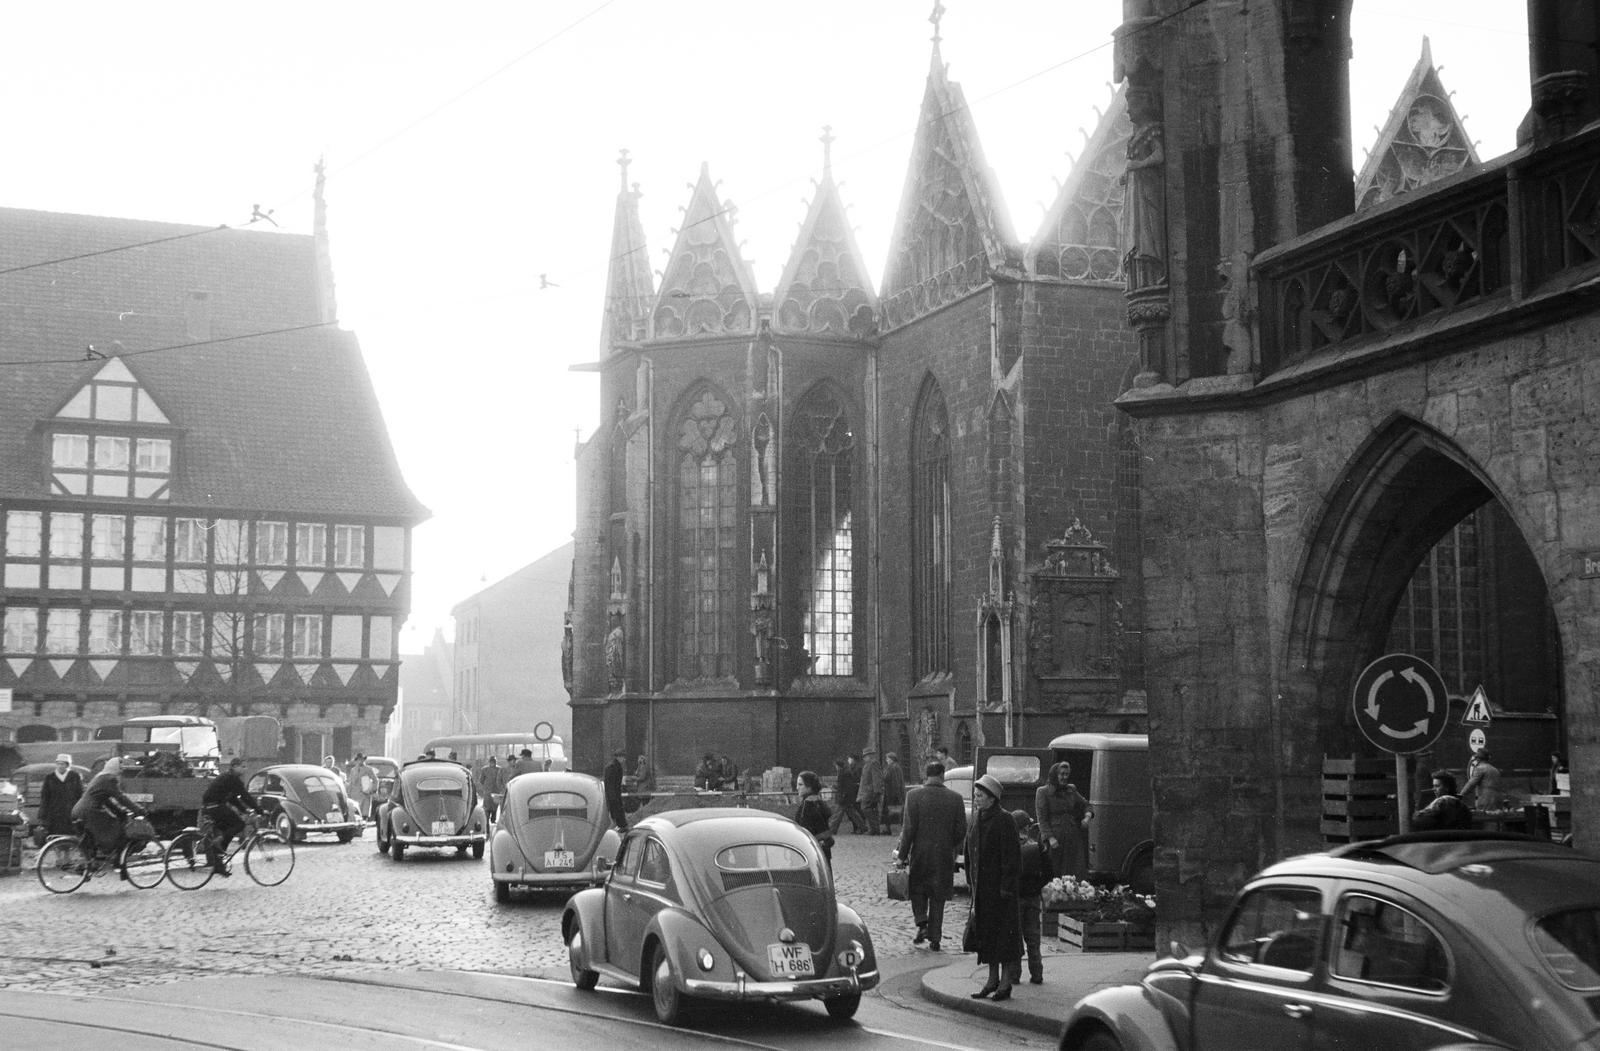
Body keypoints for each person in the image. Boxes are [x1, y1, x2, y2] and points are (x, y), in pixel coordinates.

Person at [894, 761, 966, 952]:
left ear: (925, 776)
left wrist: (901, 856)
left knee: (917, 889)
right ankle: (935, 938)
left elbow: (908, 830)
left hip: (920, 853)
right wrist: (952, 848)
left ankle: (921, 922)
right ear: (943, 775)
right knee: (938, 895)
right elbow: (961, 831)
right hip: (943, 855)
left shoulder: (914, 796)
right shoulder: (955, 798)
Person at [966, 774, 1021, 1001]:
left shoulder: (1005, 819)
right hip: (982, 891)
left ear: (992, 798)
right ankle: (992, 980)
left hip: (1000, 892)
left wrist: (1006, 888)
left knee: (1004, 939)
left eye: (980, 796)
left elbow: (1011, 858)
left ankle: (1005, 983)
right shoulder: (977, 818)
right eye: (976, 795)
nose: (976, 799)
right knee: (987, 938)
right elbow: (970, 850)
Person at [71, 758, 147, 868]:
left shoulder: (100, 776)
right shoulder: (110, 778)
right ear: (114, 767)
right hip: (91, 811)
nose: (121, 770)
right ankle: (116, 860)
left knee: (93, 837)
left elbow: (106, 800)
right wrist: (138, 810)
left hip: (78, 810)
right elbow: (121, 797)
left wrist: (120, 812)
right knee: (116, 829)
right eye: (120, 768)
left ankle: (91, 863)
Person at [201, 757, 259, 875]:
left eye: (245, 767)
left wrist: (244, 810)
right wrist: (260, 810)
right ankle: (217, 847)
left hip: (209, 807)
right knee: (239, 824)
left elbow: (233, 798)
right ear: (234, 767)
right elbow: (245, 796)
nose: (245, 769)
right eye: (242, 767)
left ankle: (219, 865)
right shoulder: (232, 779)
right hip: (215, 806)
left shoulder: (227, 777)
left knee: (227, 832)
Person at [1008, 810, 1047, 985]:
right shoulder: (1036, 847)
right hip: (1032, 898)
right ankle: (1037, 974)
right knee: (1033, 938)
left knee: (1014, 939)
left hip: (1014, 899)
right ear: (1027, 827)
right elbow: (1048, 871)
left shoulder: (1008, 847)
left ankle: (1014, 975)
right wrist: (1037, 887)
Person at [1035, 761, 1091, 878]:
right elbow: (1042, 818)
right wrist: (1050, 838)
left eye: (1067, 774)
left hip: (1072, 837)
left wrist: (1087, 817)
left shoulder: (1071, 790)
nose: (1065, 777)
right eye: (1062, 774)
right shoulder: (1043, 792)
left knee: (1075, 871)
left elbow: (1086, 804)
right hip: (1056, 839)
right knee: (1056, 872)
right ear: (1055, 774)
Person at [794, 770, 834, 870]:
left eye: (800, 785)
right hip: (824, 849)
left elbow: (804, 831)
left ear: (809, 786)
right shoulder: (819, 802)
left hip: (812, 852)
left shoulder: (807, 805)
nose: (797, 788)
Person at [38, 753, 84, 839]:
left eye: (62, 764)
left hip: (70, 812)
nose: (60, 766)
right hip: (55, 813)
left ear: (67, 765)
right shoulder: (50, 777)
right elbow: (45, 797)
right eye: (58, 764)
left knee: (70, 836)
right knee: (55, 836)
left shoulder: (74, 776)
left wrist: (80, 811)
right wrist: (42, 815)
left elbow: (80, 794)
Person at [827, 756, 866, 836]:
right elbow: (846, 785)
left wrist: (842, 794)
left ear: (838, 766)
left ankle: (832, 829)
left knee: (837, 815)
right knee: (853, 814)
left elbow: (844, 786)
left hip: (844, 798)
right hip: (847, 797)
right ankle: (863, 827)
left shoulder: (843, 773)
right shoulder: (846, 772)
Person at [859, 747, 884, 835]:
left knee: (865, 808)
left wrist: (877, 791)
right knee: (871, 809)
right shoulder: (868, 764)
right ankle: (874, 829)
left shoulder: (873, 763)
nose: (864, 758)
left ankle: (874, 829)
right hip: (867, 791)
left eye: (865, 756)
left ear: (869, 755)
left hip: (870, 791)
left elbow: (876, 777)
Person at [603, 748, 629, 832]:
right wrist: (613, 797)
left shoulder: (614, 766)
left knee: (616, 813)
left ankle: (621, 827)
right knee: (614, 815)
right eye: (623, 757)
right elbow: (611, 785)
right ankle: (610, 832)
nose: (624, 760)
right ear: (619, 757)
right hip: (613, 796)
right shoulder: (613, 767)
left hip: (614, 795)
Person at [881, 751, 906, 835]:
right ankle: (889, 829)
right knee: (890, 812)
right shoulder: (893, 767)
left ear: (892, 759)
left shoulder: (893, 767)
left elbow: (895, 781)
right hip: (890, 792)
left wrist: (896, 794)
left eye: (887, 758)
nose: (886, 760)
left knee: (892, 812)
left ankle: (892, 830)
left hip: (892, 793)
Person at [478, 756, 505, 822]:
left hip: (495, 791)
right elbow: (481, 780)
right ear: (489, 762)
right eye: (491, 762)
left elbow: (502, 780)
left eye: (494, 762)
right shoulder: (484, 769)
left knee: (494, 806)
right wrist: (484, 787)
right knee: (487, 807)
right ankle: (487, 820)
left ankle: (492, 819)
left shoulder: (500, 769)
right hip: (488, 791)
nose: (493, 763)